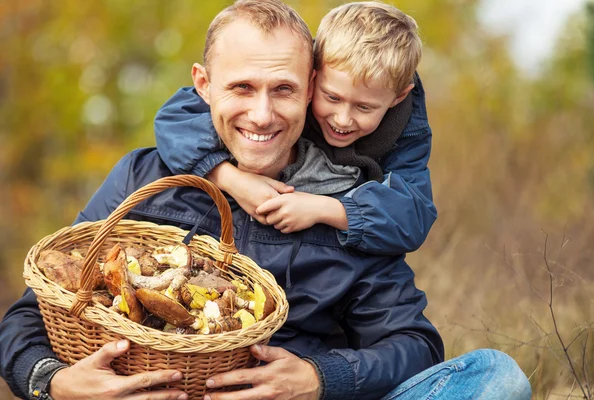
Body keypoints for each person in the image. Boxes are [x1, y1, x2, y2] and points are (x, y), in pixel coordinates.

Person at [0, 1, 532, 399]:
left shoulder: (352, 205)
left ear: (310, 87)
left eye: (282, 90)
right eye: (241, 89)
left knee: (496, 377)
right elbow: (28, 316)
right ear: (204, 85)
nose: (261, 115)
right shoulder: (144, 177)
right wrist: (55, 383)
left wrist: (320, 379)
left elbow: (415, 345)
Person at [155, 2, 436, 255]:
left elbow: (413, 214)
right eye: (332, 97)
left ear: (397, 97)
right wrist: (232, 180)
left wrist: (327, 209)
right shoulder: (286, 75)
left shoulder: (406, 133)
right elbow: (176, 120)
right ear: (313, 77)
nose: (341, 119)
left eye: (364, 108)